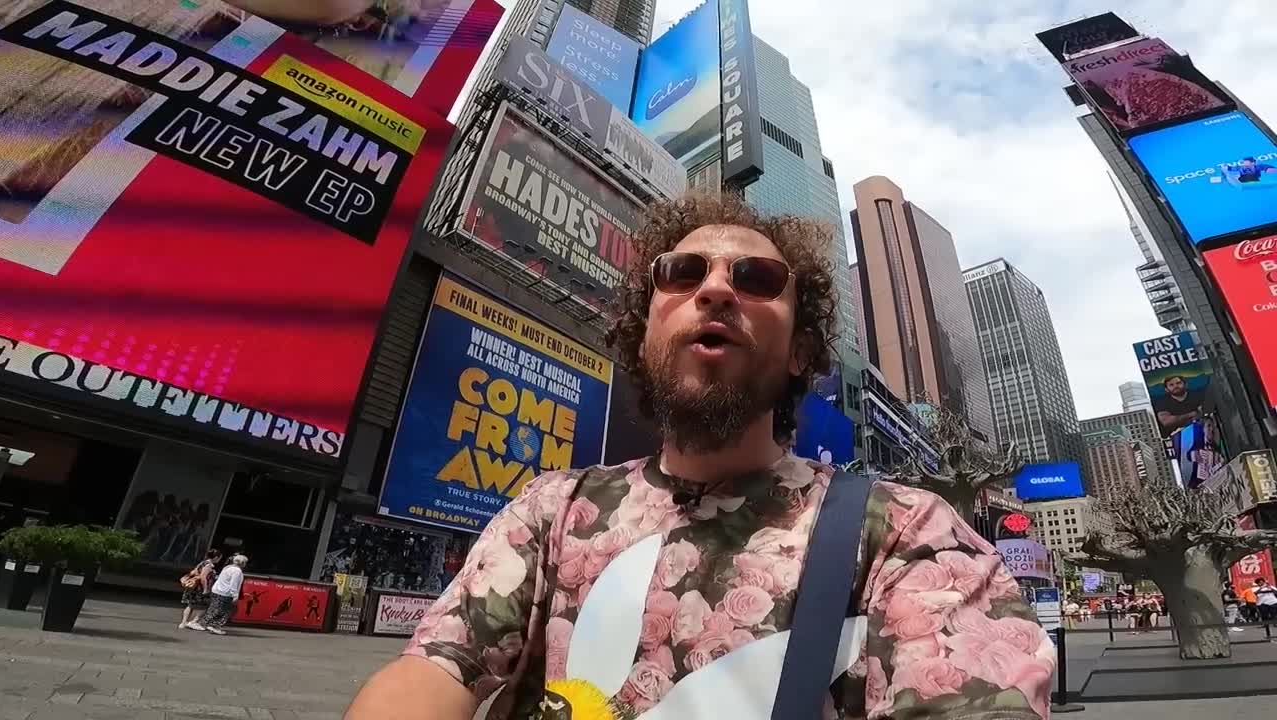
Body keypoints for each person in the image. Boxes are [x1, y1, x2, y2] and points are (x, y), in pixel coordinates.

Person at [345, 193, 1055, 720]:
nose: (715, 288)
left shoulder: (905, 532)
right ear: (643, 328)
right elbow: (437, 669)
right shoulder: (552, 511)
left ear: (804, 348)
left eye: (756, 280)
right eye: (682, 272)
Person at [191, 554, 248, 635]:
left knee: (215, 609)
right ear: (242, 563)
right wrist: (235, 595)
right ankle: (211, 625)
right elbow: (234, 584)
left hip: (217, 590)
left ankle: (208, 624)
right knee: (224, 610)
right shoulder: (237, 571)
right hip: (225, 593)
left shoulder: (227, 567)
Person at [179, 549, 222, 630]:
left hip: (193, 586)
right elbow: (203, 577)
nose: (219, 560)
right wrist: (205, 589)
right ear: (216, 557)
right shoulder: (208, 565)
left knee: (190, 605)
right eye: (219, 558)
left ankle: (183, 623)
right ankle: (194, 621)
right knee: (206, 605)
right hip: (200, 588)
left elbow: (194, 572)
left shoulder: (202, 563)